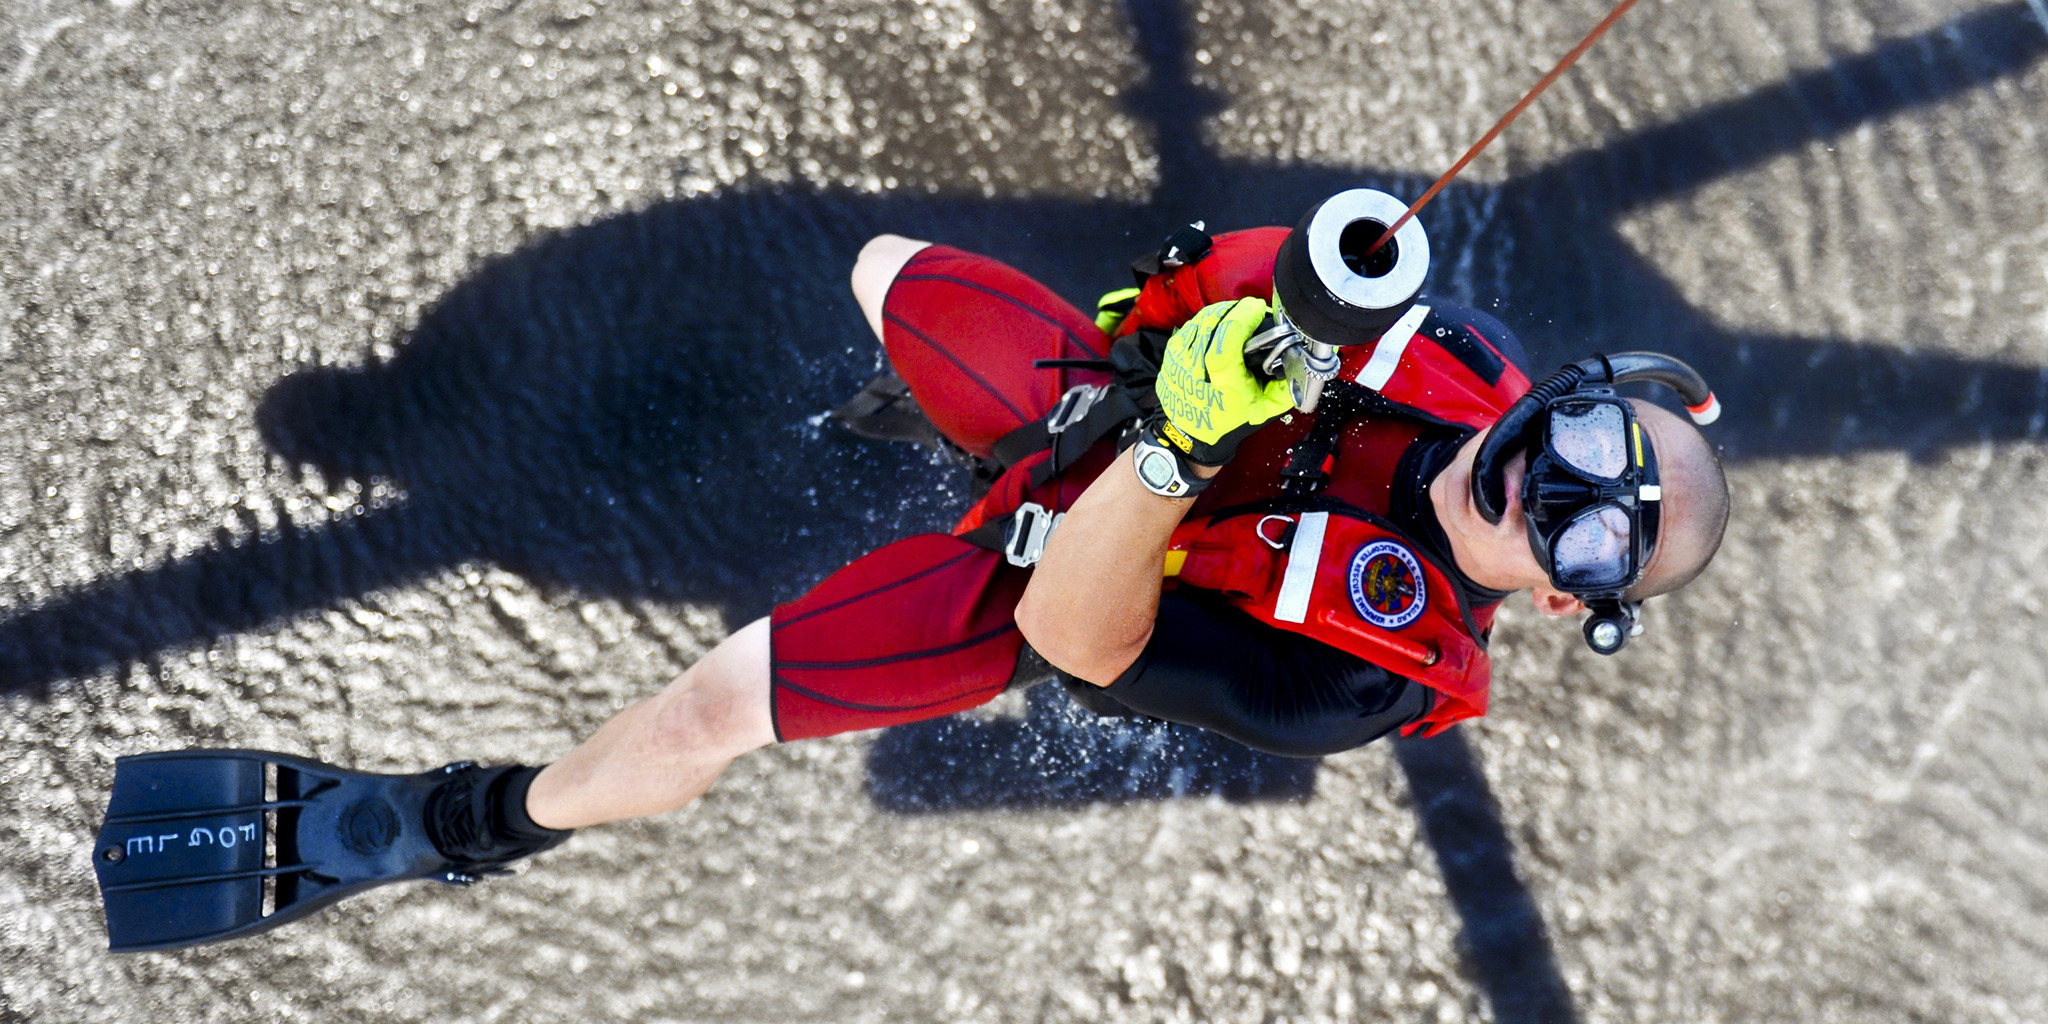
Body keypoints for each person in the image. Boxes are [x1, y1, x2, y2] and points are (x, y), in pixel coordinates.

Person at [89, 218, 1730, 951]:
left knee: (712, 706)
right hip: (1100, 416)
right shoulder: (1453, 349)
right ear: (1560, 389)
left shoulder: (1366, 681)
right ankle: (951, 425)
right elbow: (1214, 285)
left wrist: (1167, 446)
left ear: (1580, 598)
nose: (1555, 490)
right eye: (1583, 441)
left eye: (1593, 538)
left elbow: (1072, 635)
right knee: (883, 270)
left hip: (1048, 564)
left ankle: (475, 823)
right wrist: (1209, 333)